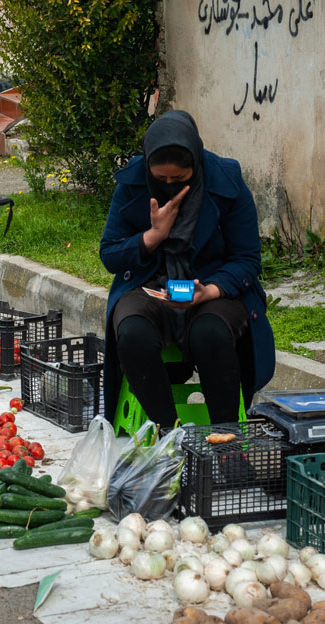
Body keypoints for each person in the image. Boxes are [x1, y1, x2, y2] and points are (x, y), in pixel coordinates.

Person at [100, 110, 275, 427]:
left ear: (195, 163)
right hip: (150, 286)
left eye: (179, 180)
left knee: (210, 332)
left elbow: (247, 258)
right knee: (132, 331)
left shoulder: (226, 181)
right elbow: (110, 253)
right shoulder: (133, 182)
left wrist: (211, 290)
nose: (167, 186)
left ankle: (226, 438)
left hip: (212, 288)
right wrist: (153, 237)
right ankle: (169, 431)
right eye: (160, 179)